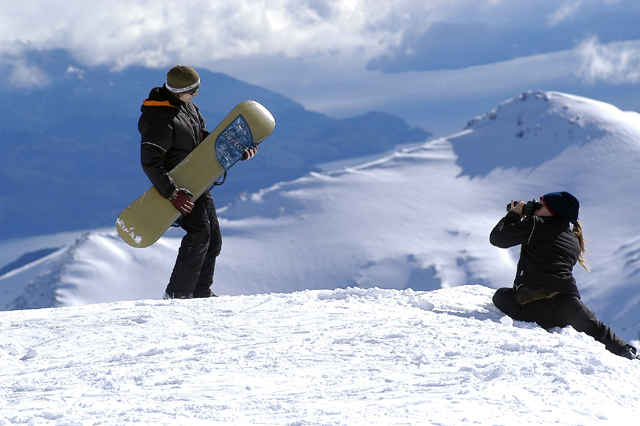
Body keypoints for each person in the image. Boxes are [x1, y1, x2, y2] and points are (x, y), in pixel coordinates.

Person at [138, 65, 258, 299]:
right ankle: (178, 295)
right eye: (191, 91)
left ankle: (201, 292)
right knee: (199, 232)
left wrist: (236, 151)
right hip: (178, 187)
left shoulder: (186, 106)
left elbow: (203, 140)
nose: (196, 95)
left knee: (213, 238)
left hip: (196, 182)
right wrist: (172, 193)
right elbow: (150, 162)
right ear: (177, 91)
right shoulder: (157, 117)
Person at [490, 191, 638, 360]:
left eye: (541, 205)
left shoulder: (537, 224)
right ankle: (627, 351)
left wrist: (514, 215)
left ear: (553, 211)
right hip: (567, 305)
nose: (536, 208)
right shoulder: (573, 240)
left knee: (500, 295)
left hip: (534, 306)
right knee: (596, 328)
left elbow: (498, 238)